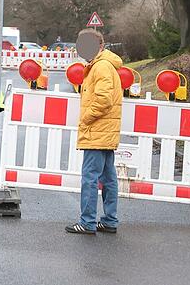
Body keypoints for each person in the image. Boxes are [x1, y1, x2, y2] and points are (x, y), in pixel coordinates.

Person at [66, 30, 122, 235]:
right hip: (105, 131)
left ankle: (87, 222)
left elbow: (103, 99)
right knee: (108, 178)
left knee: (90, 178)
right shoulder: (103, 65)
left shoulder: (101, 67)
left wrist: (86, 118)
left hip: (97, 131)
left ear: (99, 46)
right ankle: (109, 220)